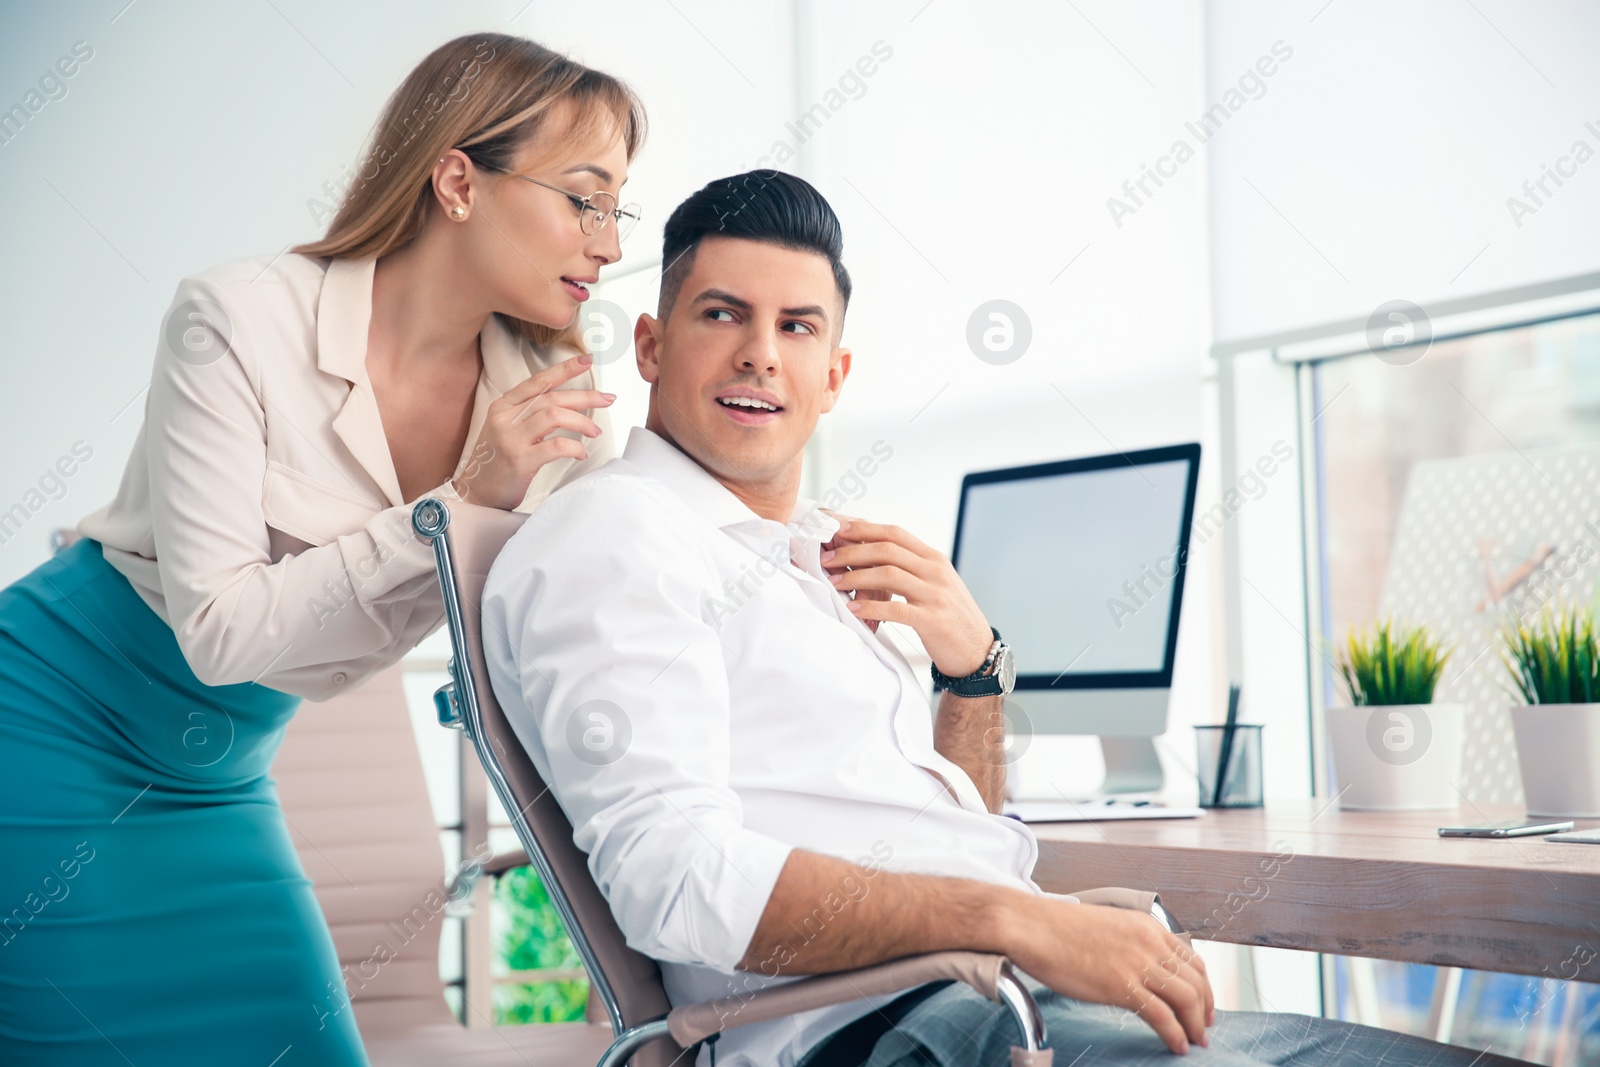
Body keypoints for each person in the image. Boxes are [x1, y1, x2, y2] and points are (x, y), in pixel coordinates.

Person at [482, 170, 1533, 1067]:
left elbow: (950, 833)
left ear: (834, 374)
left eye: (796, 326)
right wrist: (1017, 917)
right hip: (887, 1031)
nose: (762, 353)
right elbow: (678, 885)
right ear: (655, 347)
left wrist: (970, 677)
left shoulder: (814, 551)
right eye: (724, 314)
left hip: (978, 1001)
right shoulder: (617, 536)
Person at [0, 33, 643, 1066]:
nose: (608, 244)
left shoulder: (549, 403)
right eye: (584, 197)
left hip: (222, 772)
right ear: (456, 182)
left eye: (619, 207)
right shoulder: (235, 320)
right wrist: (457, 501)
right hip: (47, 723)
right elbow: (217, 632)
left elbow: (613, 629)